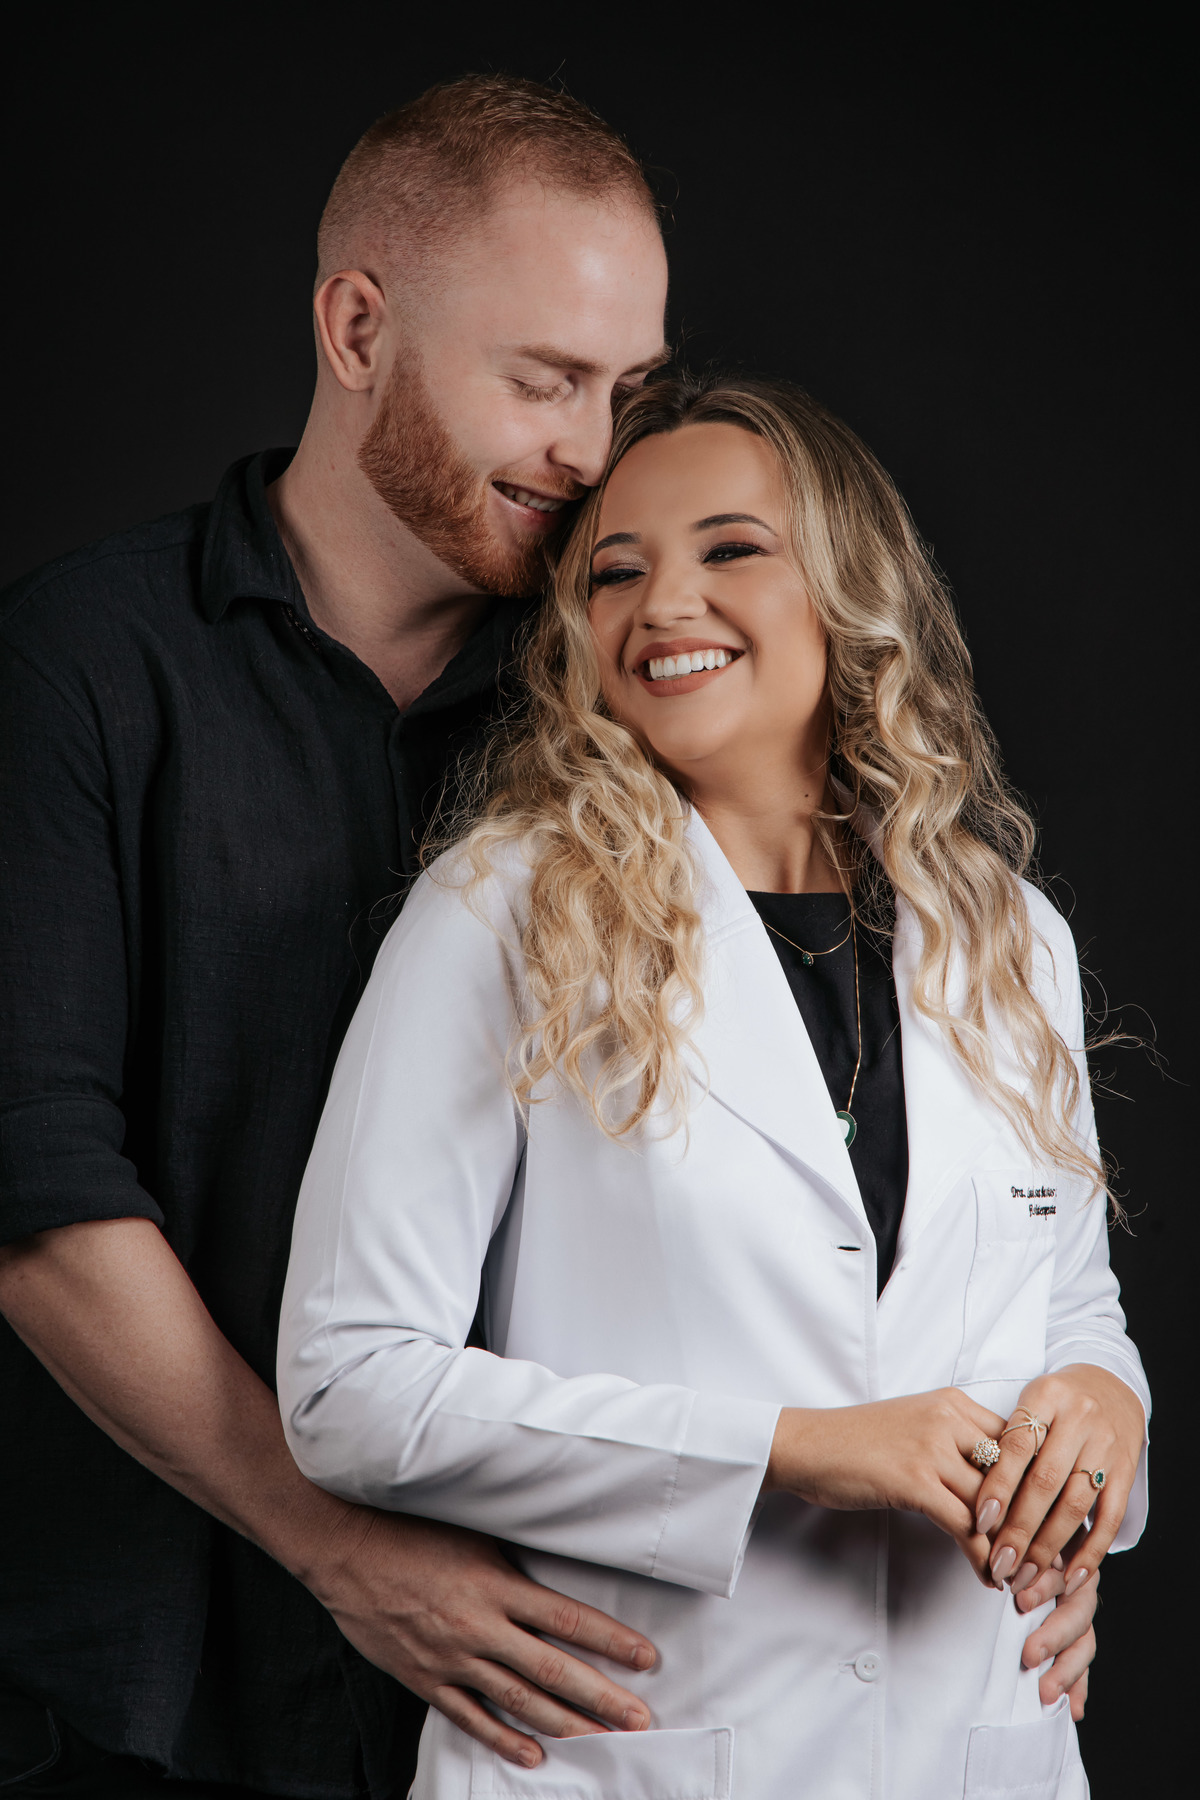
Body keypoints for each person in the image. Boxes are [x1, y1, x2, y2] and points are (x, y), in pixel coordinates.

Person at [278, 372, 1149, 1798]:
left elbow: (1068, 1306)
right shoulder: (505, 912)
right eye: (614, 572)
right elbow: (349, 1384)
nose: (663, 604)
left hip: (979, 1743)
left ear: (850, 588)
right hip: (641, 1750)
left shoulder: (1008, 935)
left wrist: (1110, 1416)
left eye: (730, 548)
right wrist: (786, 1451)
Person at [0, 76, 673, 1798]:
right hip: (146, 1680)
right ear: (358, 327)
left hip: (539, 1700)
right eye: (544, 379)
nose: (592, 454)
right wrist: (342, 1552)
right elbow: (36, 1193)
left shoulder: (620, 710)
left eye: (625, 392)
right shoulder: (78, 667)